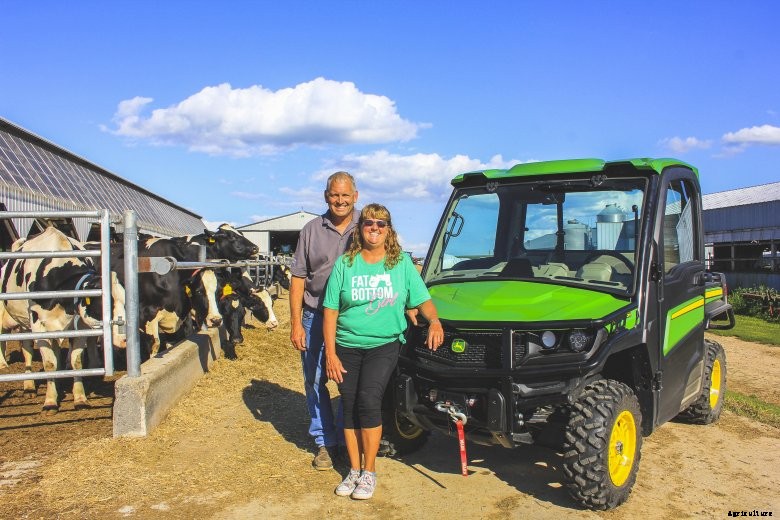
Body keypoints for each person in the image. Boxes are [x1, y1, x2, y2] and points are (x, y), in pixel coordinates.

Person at [323, 203, 444, 500]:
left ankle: (370, 471)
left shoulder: (399, 263)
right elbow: (330, 311)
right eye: (368, 223)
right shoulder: (345, 264)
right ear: (360, 228)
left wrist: (435, 321)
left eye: (381, 224)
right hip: (347, 343)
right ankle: (353, 470)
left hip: (384, 343)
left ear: (388, 229)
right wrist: (330, 354)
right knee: (349, 403)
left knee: (369, 398)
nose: (374, 228)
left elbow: (422, 298)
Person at [290, 171, 359, 470]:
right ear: (326, 196)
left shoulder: (368, 226)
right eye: (334, 194)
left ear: (355, 196)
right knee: (316, 379)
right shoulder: (311, 230)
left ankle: (346, 439)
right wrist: (295, 323)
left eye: (345, 195)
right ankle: (325, 442)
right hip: (315, 314)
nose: (340, 200)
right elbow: (298, 278)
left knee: (350, 380)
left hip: (353, 317)